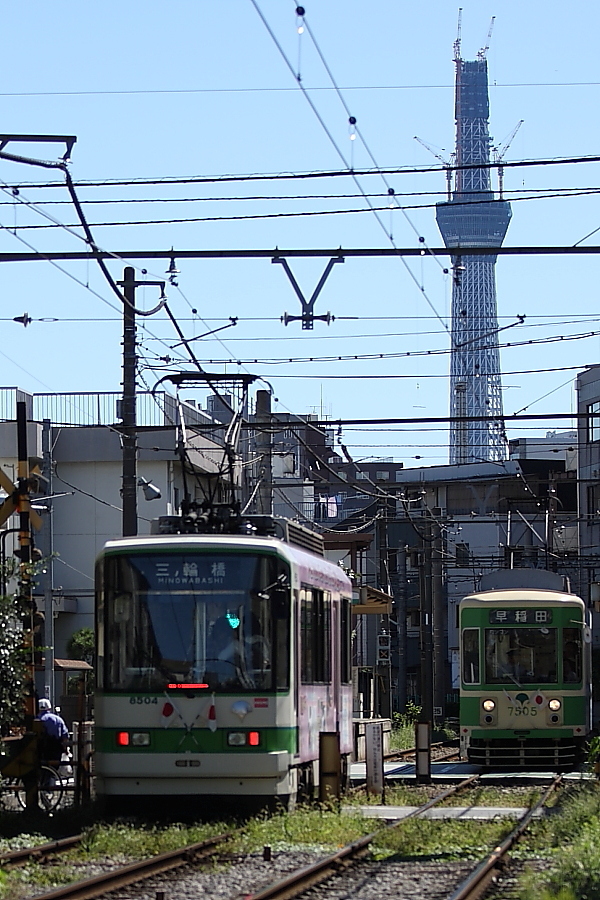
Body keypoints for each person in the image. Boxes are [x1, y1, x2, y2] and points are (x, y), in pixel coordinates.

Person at [37, 699, 69, 766]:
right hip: (56, 747)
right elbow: (65, 736)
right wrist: (66, 749)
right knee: (55, 767)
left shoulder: (37, 719)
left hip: (42, 748)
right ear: (49, 707)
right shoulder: (58, 719)